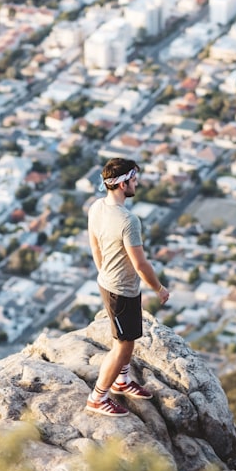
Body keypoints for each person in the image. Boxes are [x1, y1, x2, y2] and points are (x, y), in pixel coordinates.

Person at [85, 157, 170, 417]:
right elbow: (141, 263)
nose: (137, 183)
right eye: (133, 179)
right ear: (122, 184)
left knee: (127, 341)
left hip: (115, 285)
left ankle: (121, 381)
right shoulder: (128, 221)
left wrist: (103, 271)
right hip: (120, 290)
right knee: (122, 346)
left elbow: (94, 245)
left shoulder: (96, 207)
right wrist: (159, 289)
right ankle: (97, 398)